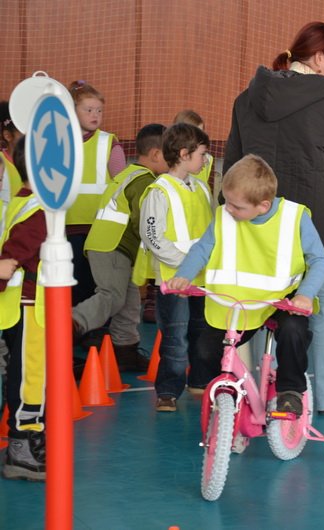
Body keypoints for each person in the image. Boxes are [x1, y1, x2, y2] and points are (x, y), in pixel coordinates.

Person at [223, 21, 324, 414]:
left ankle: (259, 393)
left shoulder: (247, 100)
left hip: (259, 229)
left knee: (260, 310)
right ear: (319, 57)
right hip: (320, 228)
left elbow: (232, 167)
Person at [166, 154, 324, 414]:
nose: (228, 209)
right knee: (205, 349)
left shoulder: (294, 217)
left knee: (293, 331)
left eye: (236, 206)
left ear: (263, 206)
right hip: (235, 302)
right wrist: (184, 275)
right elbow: (202, 249)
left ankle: (290, 391)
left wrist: (305, 295)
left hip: (281, 300)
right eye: (226, 201)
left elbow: (320, 260)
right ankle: (226, 393)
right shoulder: (224, 216)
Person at [72, 124, 169, 371]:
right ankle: (70, 324)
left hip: (113, 247)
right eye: (169, 154)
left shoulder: (130, 173)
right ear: (156, 154)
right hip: (112, 246)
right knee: (112, 296)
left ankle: (125, 351)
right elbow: (144, 221)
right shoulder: (144, 181)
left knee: (129, 302)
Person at [137, 123, 213, 412]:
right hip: (173, 279)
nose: (205, 160)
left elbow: (211, 232)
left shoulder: (202, 188)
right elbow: (152, 236)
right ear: (184, 154)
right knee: (174, 337)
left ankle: (200, 381)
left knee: (201, 332)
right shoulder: (159, 191)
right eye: (202, 154)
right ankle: (168, 390)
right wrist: (185, 264)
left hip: (202, 279)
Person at [0, 136, 47, 481]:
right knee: (31, 376)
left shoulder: (21, 202)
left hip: (22, 305)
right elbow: (9, 260)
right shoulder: (38, 212)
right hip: (30, 306)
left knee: (25, 374)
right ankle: (23, 443)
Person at [67, 81, 126, 306]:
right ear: (72, 111)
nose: (95, 115)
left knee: (98, 284)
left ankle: (96, 325)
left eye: (99, 110)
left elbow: (121, 185)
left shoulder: (109, 142)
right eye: (89, 110)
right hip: (67, 226)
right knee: (72, 282)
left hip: (100, 228)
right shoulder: (59, 141)